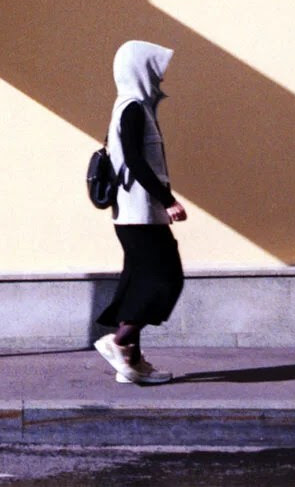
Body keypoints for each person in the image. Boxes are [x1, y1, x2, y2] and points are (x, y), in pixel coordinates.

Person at [94, 40, 186, 385]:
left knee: (137, 283)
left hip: (134, 213)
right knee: (164, 279)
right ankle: (117, 342)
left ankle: (130, 362)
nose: (160, 79)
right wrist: (168, 200)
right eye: (154, 70)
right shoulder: (132, 108)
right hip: (140, 213)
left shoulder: (132, 107)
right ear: (139, 70)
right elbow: (134, 160)